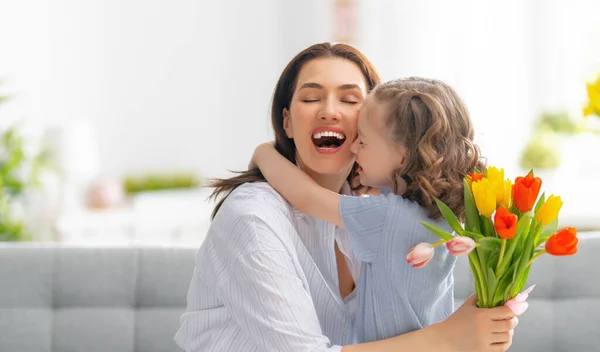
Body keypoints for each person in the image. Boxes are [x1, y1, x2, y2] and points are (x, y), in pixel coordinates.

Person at [175, 43, 520, 352]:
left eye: (351, 100)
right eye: (310, 98)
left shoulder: (380, 206)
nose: (329, 110)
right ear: (287, 124)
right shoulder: (253, 216)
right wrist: (446, 339)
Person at [251, 76, 494, 343]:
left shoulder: (387, 217)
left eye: (363, 142)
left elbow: (306, 197)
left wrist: (263, 153)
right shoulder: (439, 213)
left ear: (402, 157)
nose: (354, 148)